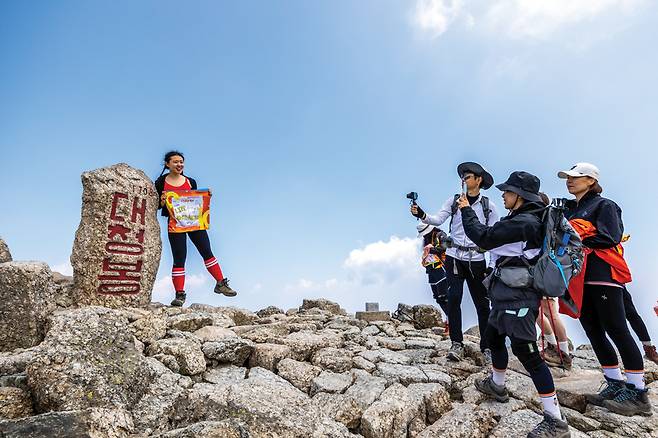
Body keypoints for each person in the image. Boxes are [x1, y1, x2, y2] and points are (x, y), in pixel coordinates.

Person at [461, 171, 570, 438]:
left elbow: (483, 237)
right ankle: (497, 385)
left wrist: (466, 210)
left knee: (527, 352)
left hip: (518, 295)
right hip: (506, 292)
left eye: (508, 191)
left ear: (519, 196)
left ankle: (555, 419)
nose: (503, 195)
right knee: (494, 337)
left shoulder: (524, 222)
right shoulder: (522, 219)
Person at [558, 162, 651, 416]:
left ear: (591, 180)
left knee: (617, 329)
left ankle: (638, 393)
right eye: (568, 177)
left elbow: (611, 236)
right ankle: (614, 383)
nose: (569, 181)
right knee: (593, 330)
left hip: (603, 274)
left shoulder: (604, 205)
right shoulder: (570, 209)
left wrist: (576, 239)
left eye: (576, 177)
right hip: (579, 276)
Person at [411, 162, 500, 362]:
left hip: (477, 258)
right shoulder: (454, 201)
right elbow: (437, 219)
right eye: (462, 176)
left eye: (468, 176)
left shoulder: (489, 206)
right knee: (454, 298)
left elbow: (494, 238)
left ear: (479, 180)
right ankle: (456, 344)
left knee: (482, 305)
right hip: (454, 256)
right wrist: (421, 214)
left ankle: (486, 347)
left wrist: (492, 265)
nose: (464, 179)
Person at [154, 150, 237, 307]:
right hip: (175, 225)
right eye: (176, 162)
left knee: (207, 252)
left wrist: (206, 195)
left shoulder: (190, 181)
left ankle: (221, 283)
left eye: (181, 162)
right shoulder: (160, 182)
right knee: (179, 258)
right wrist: (162, 201)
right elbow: (157, 206)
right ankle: (180, 294)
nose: (179, 164)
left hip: (194, 223)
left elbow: (195, 200)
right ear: (167, 164)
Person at [417, 223, 450, 330]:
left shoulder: (440, 235)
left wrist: (431, 249)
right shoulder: (426, 239)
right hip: (431, 270)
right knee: (438, 298)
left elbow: (446, 247)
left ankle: (451, 322)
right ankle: (450, 319)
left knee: (444, 297)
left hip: (441, 269)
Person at [623, 286, 658, 364]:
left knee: (632, 316)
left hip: (615, 283)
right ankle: (648, 350)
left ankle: (649, 350)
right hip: (612, 283)